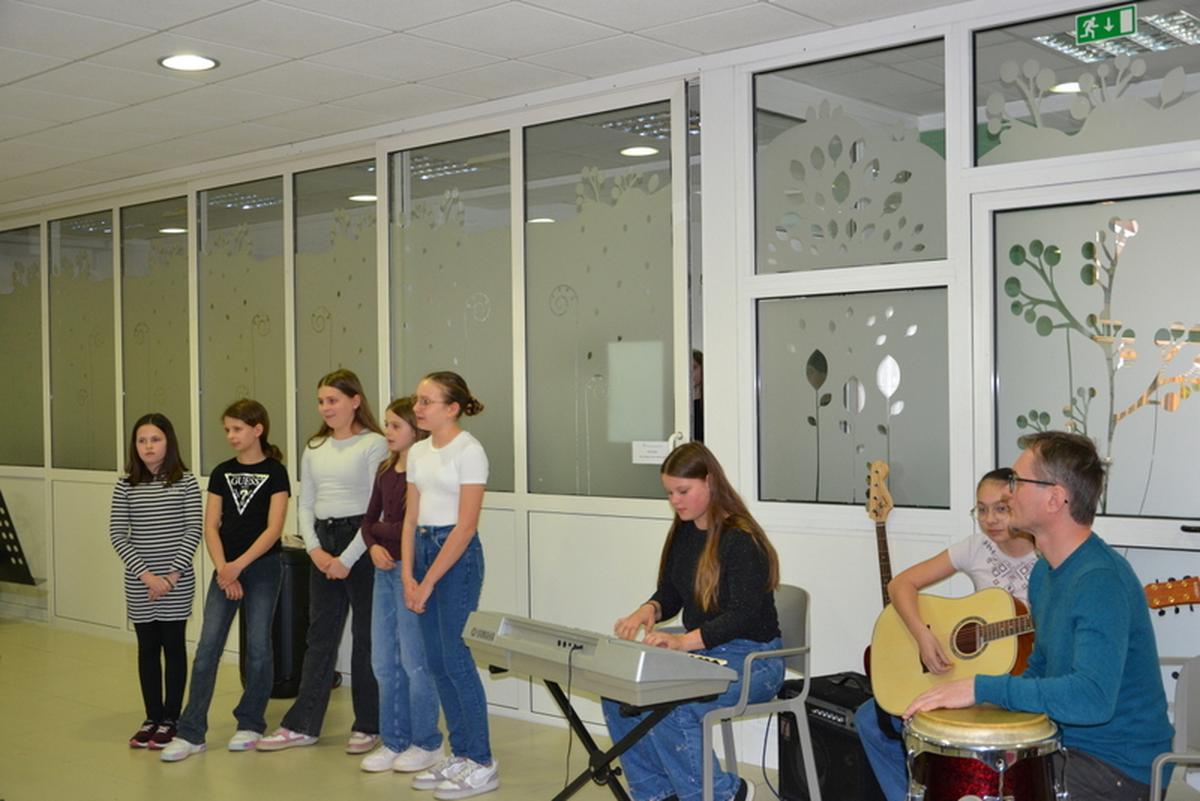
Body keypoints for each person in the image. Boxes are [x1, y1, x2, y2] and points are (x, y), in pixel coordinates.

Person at [905, 431, 1174, 801]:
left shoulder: (1100, 580)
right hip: (1062, 747)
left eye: (1017, 482)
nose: (1007, 493)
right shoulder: (1044, 574)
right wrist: (981, 708)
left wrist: (981, 688)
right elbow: (1041, 668)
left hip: (1117, 770)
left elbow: (1093, 698)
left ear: (1055, 499)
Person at [604, 441, 783, 801]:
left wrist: (683, 642)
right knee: (618, 692)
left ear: (710, 481)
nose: (675, 501)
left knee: (672, 705)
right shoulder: (685, 531)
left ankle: (723, 795)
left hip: (756, 660)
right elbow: (672, 591)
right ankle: (656, 794)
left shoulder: (740, 538)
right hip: (707, 651)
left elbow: (742, 615)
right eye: (669, 493)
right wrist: (649, 609)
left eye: (683, 491)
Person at [857, 467, 1038, 801]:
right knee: (870, 718)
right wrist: (922, 636)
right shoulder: (977, 547)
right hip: (965, 672)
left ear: (1022, 504)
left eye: (1000, 508)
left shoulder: (1047, 554)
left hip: (1017, 680)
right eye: (981, 509)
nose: (989, 519)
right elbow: (900, 585)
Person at [258, 369, 388, 754]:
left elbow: (376, 509)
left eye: (333, 400)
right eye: (321, 401)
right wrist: (315, 550)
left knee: (365, 638)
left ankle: (368, 725)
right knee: (319, 637)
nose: (325, 408)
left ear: (355, 401)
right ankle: (302, 725)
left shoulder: (374, 444)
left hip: (360, 543)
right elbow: (306, 504)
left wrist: (347, 558)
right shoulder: (314, 446)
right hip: (322, 541)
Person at [160, 399, 291, 762]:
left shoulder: (276, 472)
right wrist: (223, 568)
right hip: (225, 569)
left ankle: (250, 722)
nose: (231, 436)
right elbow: (210, 526)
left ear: (257, 430)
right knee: (207, 649)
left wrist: (238, 566)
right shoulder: (221, 472)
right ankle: (191, 732)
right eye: (227, 430)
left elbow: (274, 529)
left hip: (263, 568)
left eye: (237, 429)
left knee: (258, 647)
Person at [401, 371, 498, 799]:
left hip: (456, 557)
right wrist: (408, 575)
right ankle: (460, 753)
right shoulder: (418, 451)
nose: (417, 408)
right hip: (422, 549)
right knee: (436, 661)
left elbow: (466, 526)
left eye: (427, 401)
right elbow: (410, 518)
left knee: (456, 659)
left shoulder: (469, 451)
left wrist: (428, 582)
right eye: (417, 400)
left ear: (452, 408)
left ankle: (482, 760)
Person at [358, 396, 443, 774]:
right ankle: (394, 740)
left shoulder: (423, 473)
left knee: (414, 662)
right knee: (383, 661)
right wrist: (374, 544)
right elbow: (368, 523)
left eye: (395, 426)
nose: (387, 432)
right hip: (383, 570)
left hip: (411, 572)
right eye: (387, 425)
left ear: (415, 430)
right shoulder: (385, 470)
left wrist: (382, 533)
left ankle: (427, 742)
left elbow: (409, 527)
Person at [109, 413, 203, 749]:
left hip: (176, 581)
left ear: (169, 442)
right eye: (141, 440)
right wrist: (147, 576)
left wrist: (170, 576)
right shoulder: (125, 485)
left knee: (173, 647)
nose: (148, 446)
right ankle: (152, 716)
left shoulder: (186, 482)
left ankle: (171, 719)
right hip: (140, 581)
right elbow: (117, 534)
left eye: (155, 439)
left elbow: (193, 529)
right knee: (147, 649)